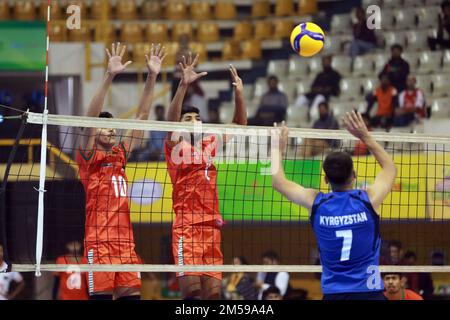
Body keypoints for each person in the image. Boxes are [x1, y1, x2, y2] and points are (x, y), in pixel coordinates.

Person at [272, 111, 397, 300]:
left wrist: (276, 150)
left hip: (334, 294)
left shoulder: (316, 203)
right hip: (369, 293)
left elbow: (278, 183)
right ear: (354, 176)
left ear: (325, 179)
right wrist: (365, 136)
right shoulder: (368, 199)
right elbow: (390, 168)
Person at [76, 42, 165, 300]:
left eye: (113, 126)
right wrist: (109, 75)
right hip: (99, 244)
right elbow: (90, 121)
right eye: (106, 127)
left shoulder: (120, 155)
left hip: (126, 246)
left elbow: (142, 115)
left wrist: (152, 76)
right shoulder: (89, 157)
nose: (112, 130)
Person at [165, 55, 247, 300]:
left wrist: (239, 94)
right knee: (192, 294)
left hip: (212, 227)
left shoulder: (210, 143)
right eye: (188, 119)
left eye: (198, 118)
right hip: (187, 227)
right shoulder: (175, 145)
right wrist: (183, 86)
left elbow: (240, 124)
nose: (195, 122)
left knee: (213, 296)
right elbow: (170, 123)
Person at [294, 55, 341, 122]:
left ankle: (311, 117)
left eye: (327, 61)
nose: (325, 63)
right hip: (314, 94)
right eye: (324, 62)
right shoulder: (320, 75)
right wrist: (318, 89)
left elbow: (333, 88)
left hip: (325, 96)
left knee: (319, 98)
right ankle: (297, 117)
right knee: (301, 98)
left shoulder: (335, 74)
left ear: (330, 62)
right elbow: (313, 87)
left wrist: (323, 90)